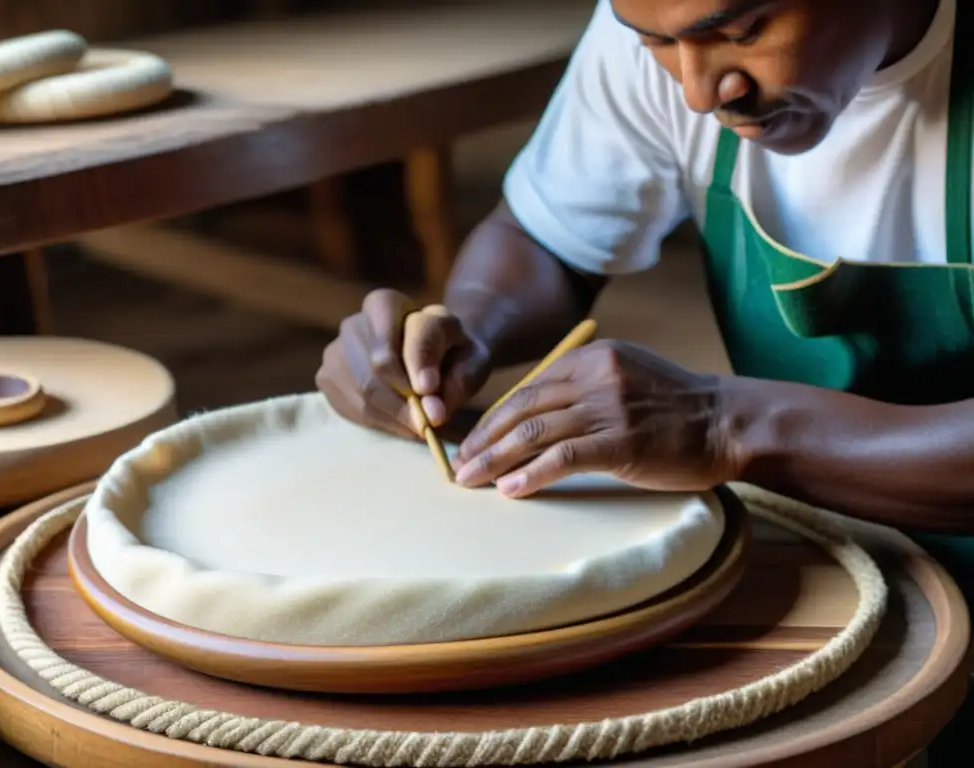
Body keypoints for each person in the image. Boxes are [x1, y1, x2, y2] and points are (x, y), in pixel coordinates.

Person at [316, 0, 972, 760]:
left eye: (743, 31)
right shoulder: (666, 23)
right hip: (850, 560)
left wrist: (725, 424)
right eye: (656, 42)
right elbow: (546, 237)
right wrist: (462, 329)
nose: (698, 91)